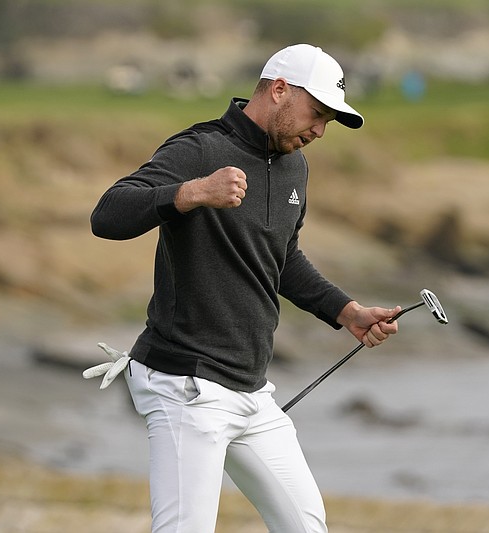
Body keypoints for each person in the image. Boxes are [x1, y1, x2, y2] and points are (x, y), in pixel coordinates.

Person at [88, 44, 401, 533]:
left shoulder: (295, 166)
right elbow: (107, 215)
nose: (319, 130)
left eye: (329, 121)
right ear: (278, 90)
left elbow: (283, 259)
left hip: (251, 390)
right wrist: (191, 193)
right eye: (317, 113)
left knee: (306, 526)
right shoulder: (201, 149)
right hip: (185, 384)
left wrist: (346, 311)